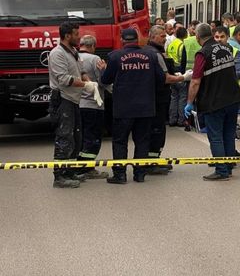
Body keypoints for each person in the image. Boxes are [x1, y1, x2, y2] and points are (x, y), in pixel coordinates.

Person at [101, 29, 165, 184]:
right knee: (142, 141)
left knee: (120, 141)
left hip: (123, 108)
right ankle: (140, 174)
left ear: (122, 40)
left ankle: (120, 175)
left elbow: (105, 80)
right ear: (137, 40)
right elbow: (161, 78)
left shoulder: (115, 56)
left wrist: (103, 70)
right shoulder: (150, 56)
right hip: (145, 106)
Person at [185, 23, 240, 181]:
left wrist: (189, 102)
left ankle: (221, 171)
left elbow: (195, 81)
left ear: (197, 37)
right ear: (212, 33)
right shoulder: (227, 48)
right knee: (229, 134)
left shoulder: (202, 53)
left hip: (214, 101)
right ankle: (228, 166)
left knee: (215, 136)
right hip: (232, 99)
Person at [48, 22, 99, 188]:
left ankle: (70, 170)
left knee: (76, 137)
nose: (79, 37)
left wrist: (89, 81)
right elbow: (63, 79)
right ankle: (59, 176)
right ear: (67, 36)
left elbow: (81, 71)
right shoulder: (57, 54)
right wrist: (85, 86)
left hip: (74, 100)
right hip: (63, 99)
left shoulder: (74, 52)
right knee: (64, 136)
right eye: (76, 34)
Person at [145, 25, 192, 175]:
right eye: (162, 36)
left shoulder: (150, 51)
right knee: (157, 131)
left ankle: (152, 160)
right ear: (152, 37)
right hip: (157, 98)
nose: (165, 39)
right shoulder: (155, 54)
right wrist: (183, 77)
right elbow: (164, 78)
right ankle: (152, 163)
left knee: (153, 130)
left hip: (152, 97)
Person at [77, 35, 109, 179]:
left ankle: (78, 166)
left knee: (82, 136)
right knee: (93, 137)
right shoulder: (94, 59)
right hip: (93, 104)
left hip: (78, 103)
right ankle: (87, 168)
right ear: (92, 46)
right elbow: (103, 82)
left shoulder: (73, 57)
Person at [168, 27, 189, 127]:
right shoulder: (182, 45)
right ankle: (181, 120)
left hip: (172, 73)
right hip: (180, 72)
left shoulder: (171, 44)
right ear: (185, 35)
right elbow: (183, 60)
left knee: (174, 97)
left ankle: (172, 119)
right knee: (182, 97)